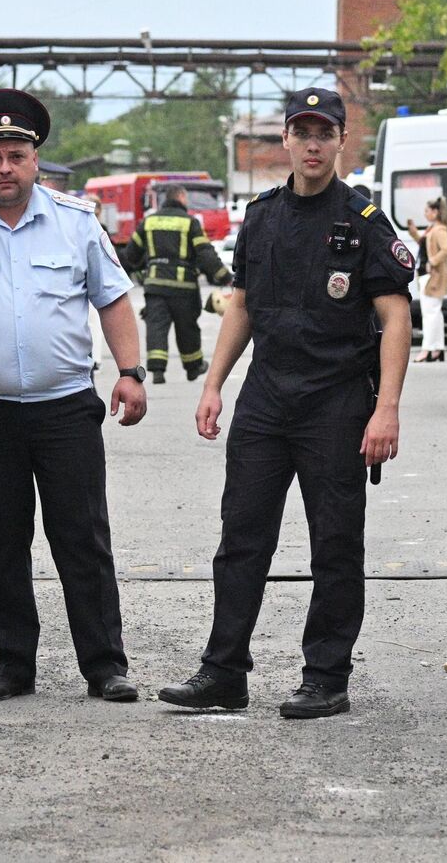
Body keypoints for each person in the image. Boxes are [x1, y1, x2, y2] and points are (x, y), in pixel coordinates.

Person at [158, 87, 412, 719]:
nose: (313, 144)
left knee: (334, 543)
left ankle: (326, 677)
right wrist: (214, 383)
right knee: (241, 539)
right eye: (302, 133)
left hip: (336, 401)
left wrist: (388, 410)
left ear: (341, 140)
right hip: (266, 399)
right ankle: (223, 673)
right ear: (286, 142)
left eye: (324, 133)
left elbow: (395, 314)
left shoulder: (364, 220)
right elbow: (241, 303)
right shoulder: (262, 216)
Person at [0, 88, 148, 704]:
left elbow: (113, 299)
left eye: (15, 155)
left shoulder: (76, 223)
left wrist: (132, 370)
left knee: (82, 537)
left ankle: (104, 664)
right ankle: (13, 663)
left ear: (35, 158)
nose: (5, 168)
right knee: (2, 540)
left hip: (66, 408)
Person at [121, 184, 232, 383]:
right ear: (181, 196)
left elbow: (130, 254)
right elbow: (205, 253)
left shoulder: (149, 222)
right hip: (183, 288)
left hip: (155, 286)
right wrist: (224, 276)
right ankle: (193, 367)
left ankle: (157, 371)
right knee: (187, 327)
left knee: (156, 327)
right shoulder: (189, 222)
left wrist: (121, 274)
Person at [408, 198, 447, 362]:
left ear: (435, 212)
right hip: (429, 275)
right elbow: (424, 245)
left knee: (430, 314)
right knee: (435, 313)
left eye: (427, 211)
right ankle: (437, 349)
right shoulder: (432, 228)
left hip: (433, 276)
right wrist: (413, 233)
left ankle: (427, 349)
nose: (425, 214)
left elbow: (446, 249)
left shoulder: (439, 230)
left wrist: (431, 262)